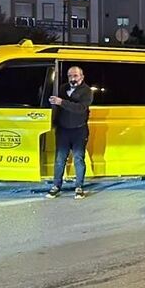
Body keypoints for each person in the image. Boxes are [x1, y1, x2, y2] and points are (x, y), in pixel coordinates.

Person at [47, 65, 93, 199]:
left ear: (82, 76)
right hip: (63, 130)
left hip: (79, 130)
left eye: (75, 75)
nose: (72, 78)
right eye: (70, 76)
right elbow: (57, 108)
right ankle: (56, 186)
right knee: (60, 159)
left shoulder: (87, 91)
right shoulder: (62, 88)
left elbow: (80, 108)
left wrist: (61, 102)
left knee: (78, 159)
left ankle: (79, 187)